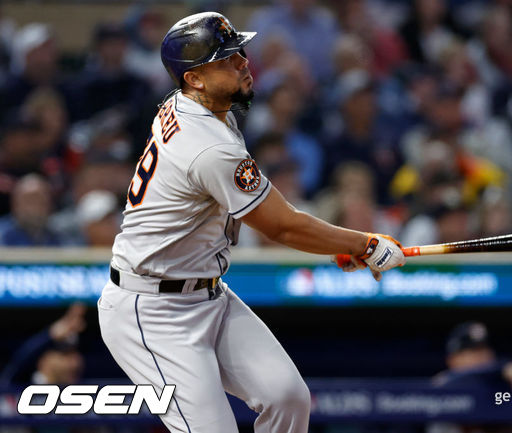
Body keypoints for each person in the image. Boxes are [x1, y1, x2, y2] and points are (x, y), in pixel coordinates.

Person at [97, 12, 405, 433]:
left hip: (207, 294)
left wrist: (340, 243)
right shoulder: (207, 145)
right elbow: (282, 226)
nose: (243, 61)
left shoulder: (201, 108)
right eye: (226, 59)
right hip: (152, 311)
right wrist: (362, 244)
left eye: (239, 52)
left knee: (288, 398)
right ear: (195, 79)